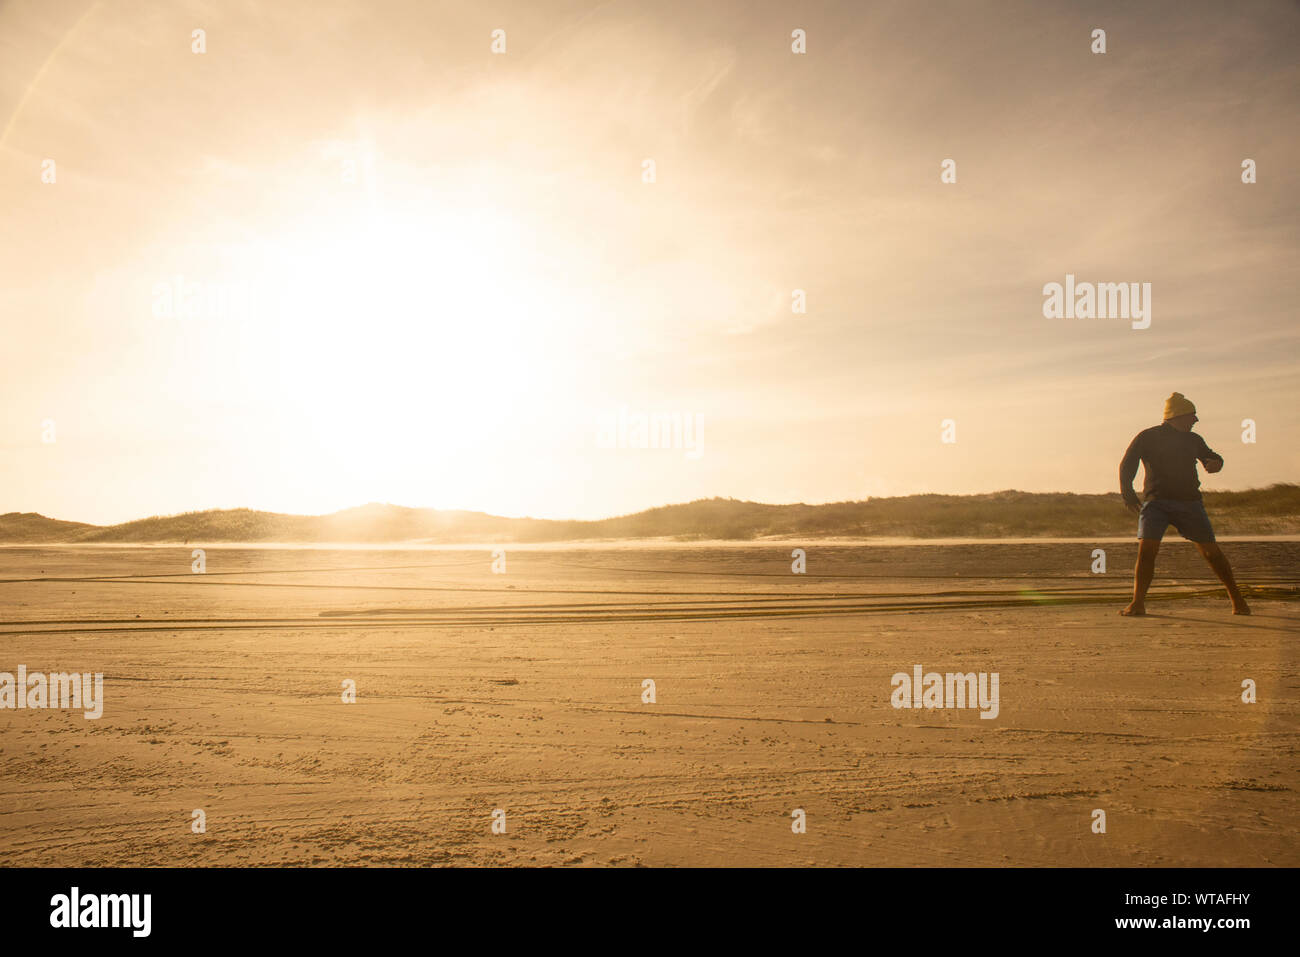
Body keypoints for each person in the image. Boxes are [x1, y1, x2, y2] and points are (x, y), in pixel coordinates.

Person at [1118, 392, 1250, 616]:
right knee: (1147, 551)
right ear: (1178, 416)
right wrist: (1127, 493)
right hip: (1156, 502)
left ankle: (1238, 601)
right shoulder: (1148, 436)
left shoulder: (1193, 440)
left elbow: (1212, 456)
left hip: (1189, 502)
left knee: (1211, 552)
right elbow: (1127, 464)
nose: (1196, 421)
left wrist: (1216, 463)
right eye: (1192, 416)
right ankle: (1137, 603)